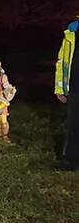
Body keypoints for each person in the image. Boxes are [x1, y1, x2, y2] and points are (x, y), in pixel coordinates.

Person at [54, 19, 79, 171]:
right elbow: (62, 62)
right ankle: (71, 160)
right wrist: (60, 88)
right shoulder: (71, 33)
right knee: (73, 125)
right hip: (75, 88)